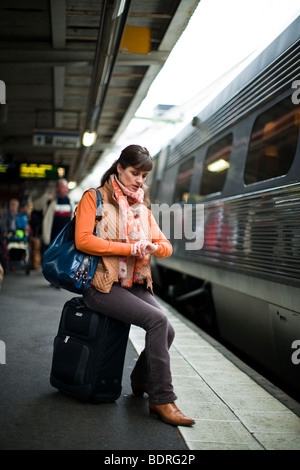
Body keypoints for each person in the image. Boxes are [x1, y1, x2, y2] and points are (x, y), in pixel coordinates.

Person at [74, 144, 195, 427]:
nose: (140, 180)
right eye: (134, 173)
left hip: (135, 283)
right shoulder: (95, 198)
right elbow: (83, 240)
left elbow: (166, 246)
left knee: (168, 328)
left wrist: (152, 247)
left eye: (144, 175)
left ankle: (140, 380)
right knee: (157, 320)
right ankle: (162, 399)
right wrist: (128, 248)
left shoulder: (142, 206)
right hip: (102, 285)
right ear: (119, 168)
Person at [42, 179, 74, 249]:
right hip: (52, 239)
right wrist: (47, 198)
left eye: (66, 187)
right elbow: (39, 209)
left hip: (66, 240)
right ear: (57, 189)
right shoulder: (50, 202)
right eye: (63, 187)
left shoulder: (70, 203)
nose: (66, 190)